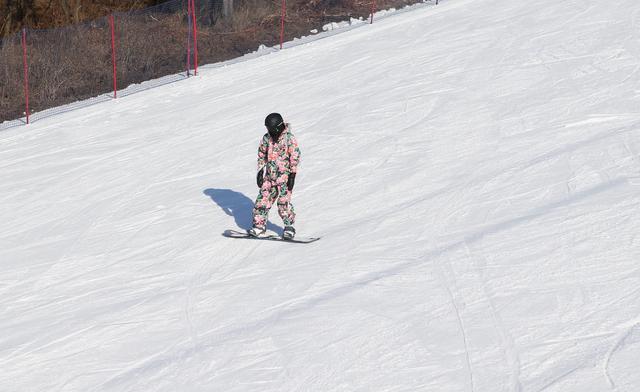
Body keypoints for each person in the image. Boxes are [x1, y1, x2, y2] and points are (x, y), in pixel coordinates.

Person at [249, 113, 301, 239]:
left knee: (283, 203)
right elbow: (262, 154)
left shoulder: (289, 139)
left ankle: (289, 227)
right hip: (270, 177)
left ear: (277, 127)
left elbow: (295, 156)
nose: (269, 131)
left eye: (270, 129)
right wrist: (260, 170)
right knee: (261, 201)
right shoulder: (267, 138)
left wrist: (292, 174)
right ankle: (259, 226)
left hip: (284, 178)